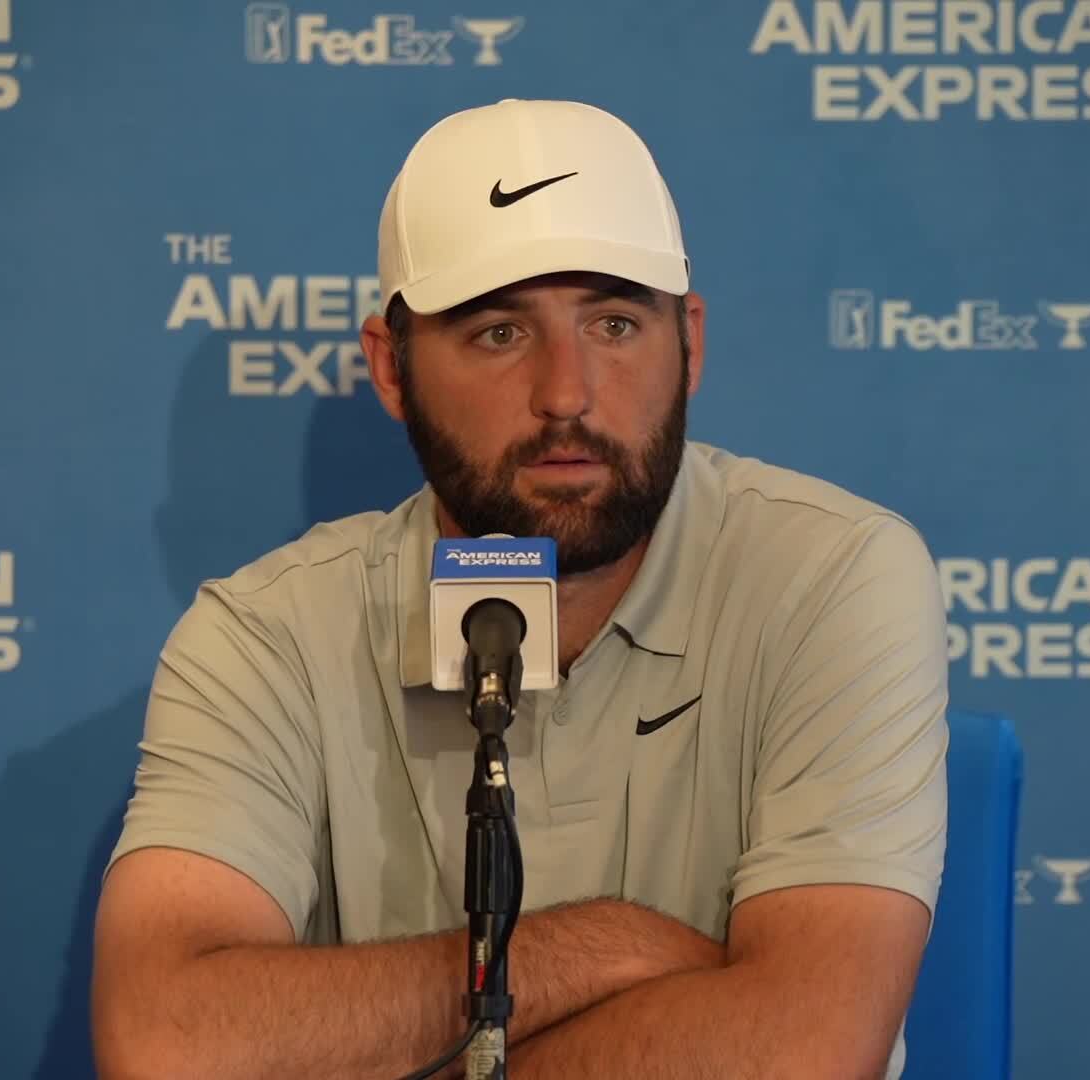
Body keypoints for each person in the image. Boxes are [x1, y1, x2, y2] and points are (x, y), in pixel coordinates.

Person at [91, 98, 950, 1079]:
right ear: (391, 369)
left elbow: (802, 1052)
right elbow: (164, 1045)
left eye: (615, 323)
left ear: (691, 344)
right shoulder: (267, 634)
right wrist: (608, 948)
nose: (567, 393)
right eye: (500, 332)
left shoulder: (830, 576)